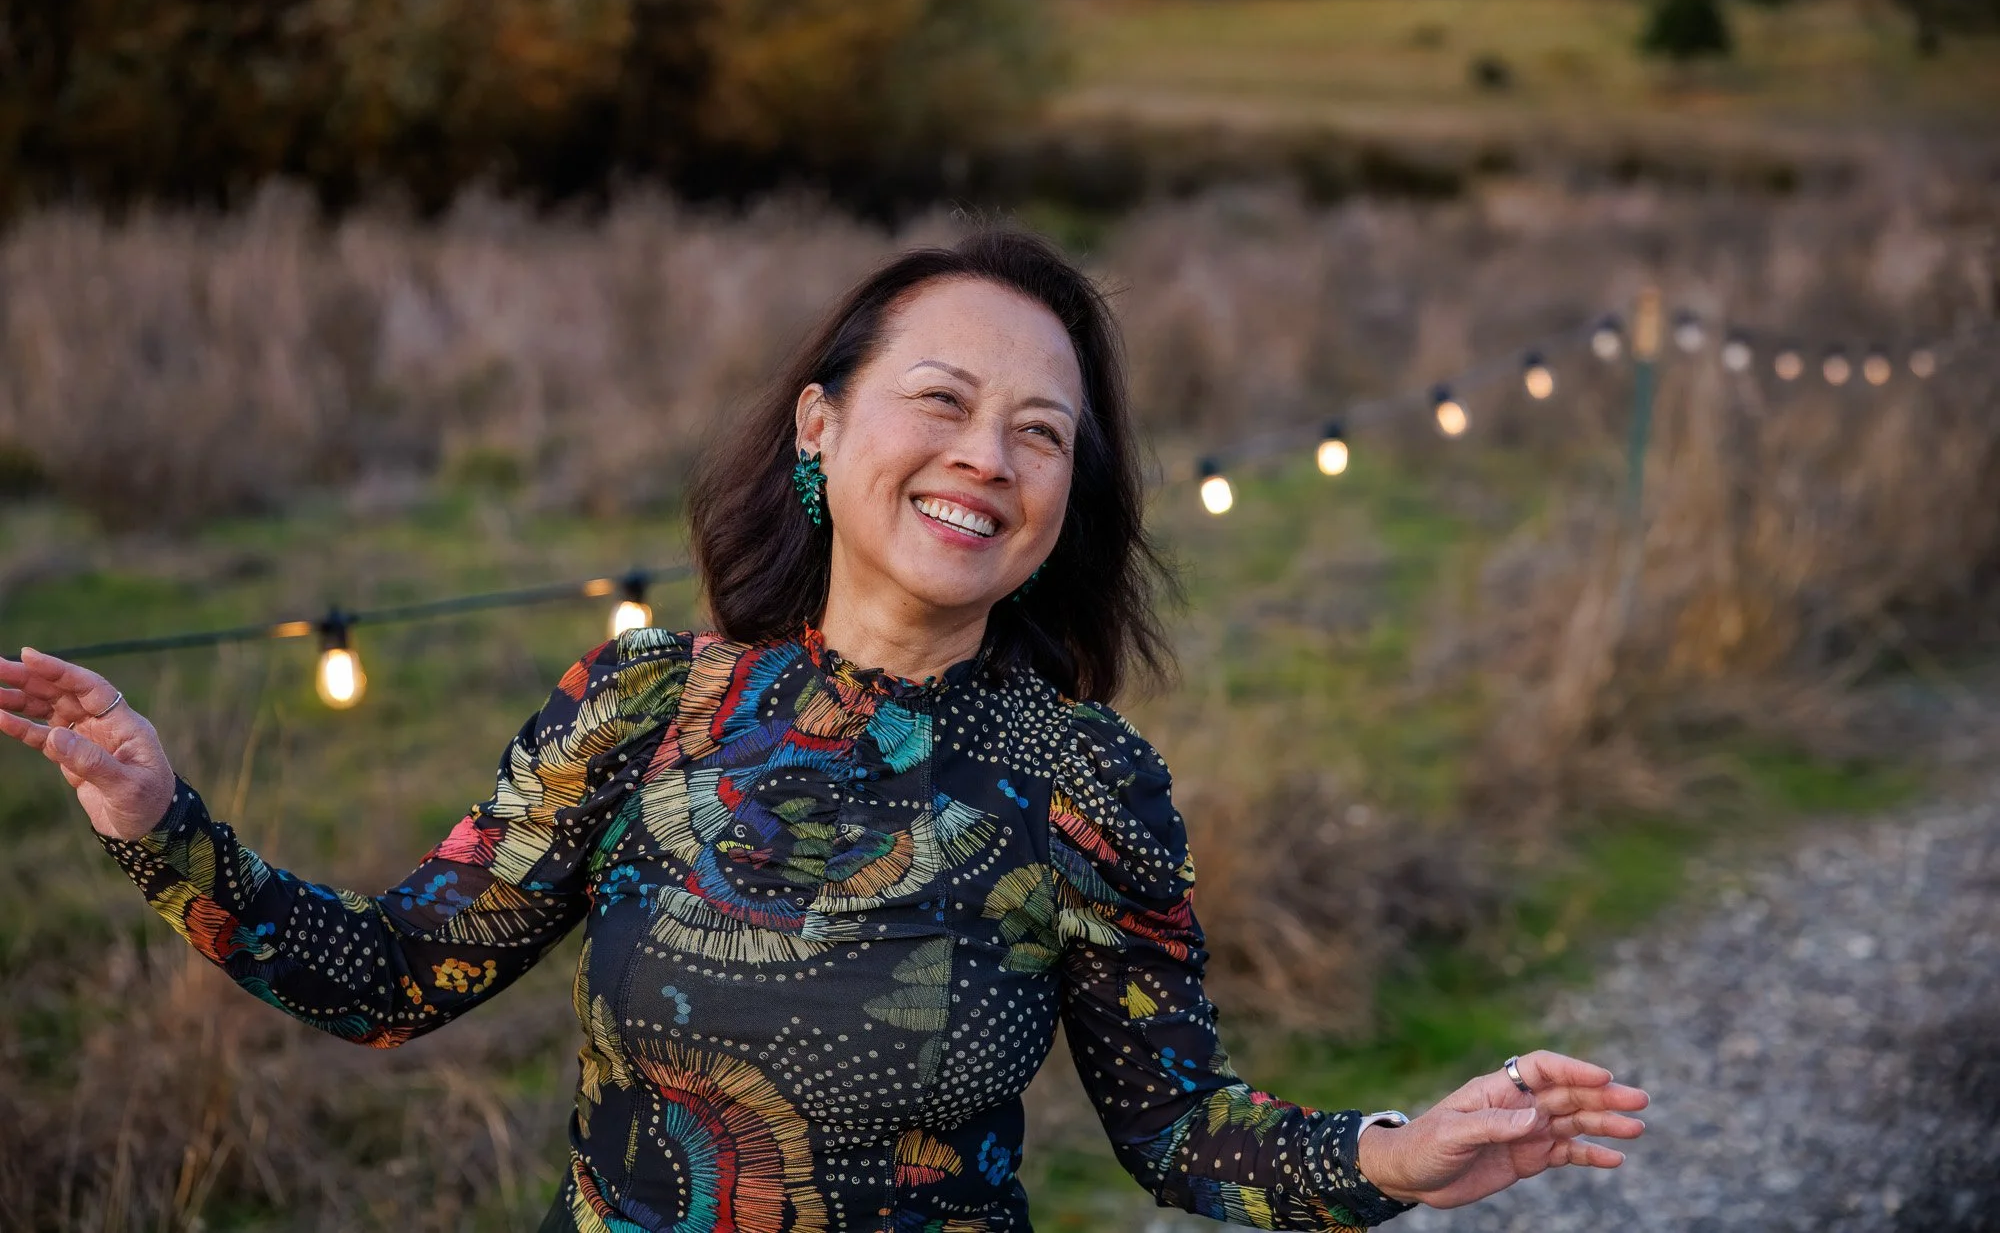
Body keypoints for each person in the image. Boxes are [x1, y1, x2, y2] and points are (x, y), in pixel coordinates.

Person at [0, 229, 1647, 1231]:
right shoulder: (645, 703)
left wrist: (1400, 1152)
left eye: (1039, 432)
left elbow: (1177, 1131)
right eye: (941, 398)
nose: (985, 456)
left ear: (1067, 500)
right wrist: (158, 816)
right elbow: (389, 979)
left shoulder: (1085, 782)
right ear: (822, 421)